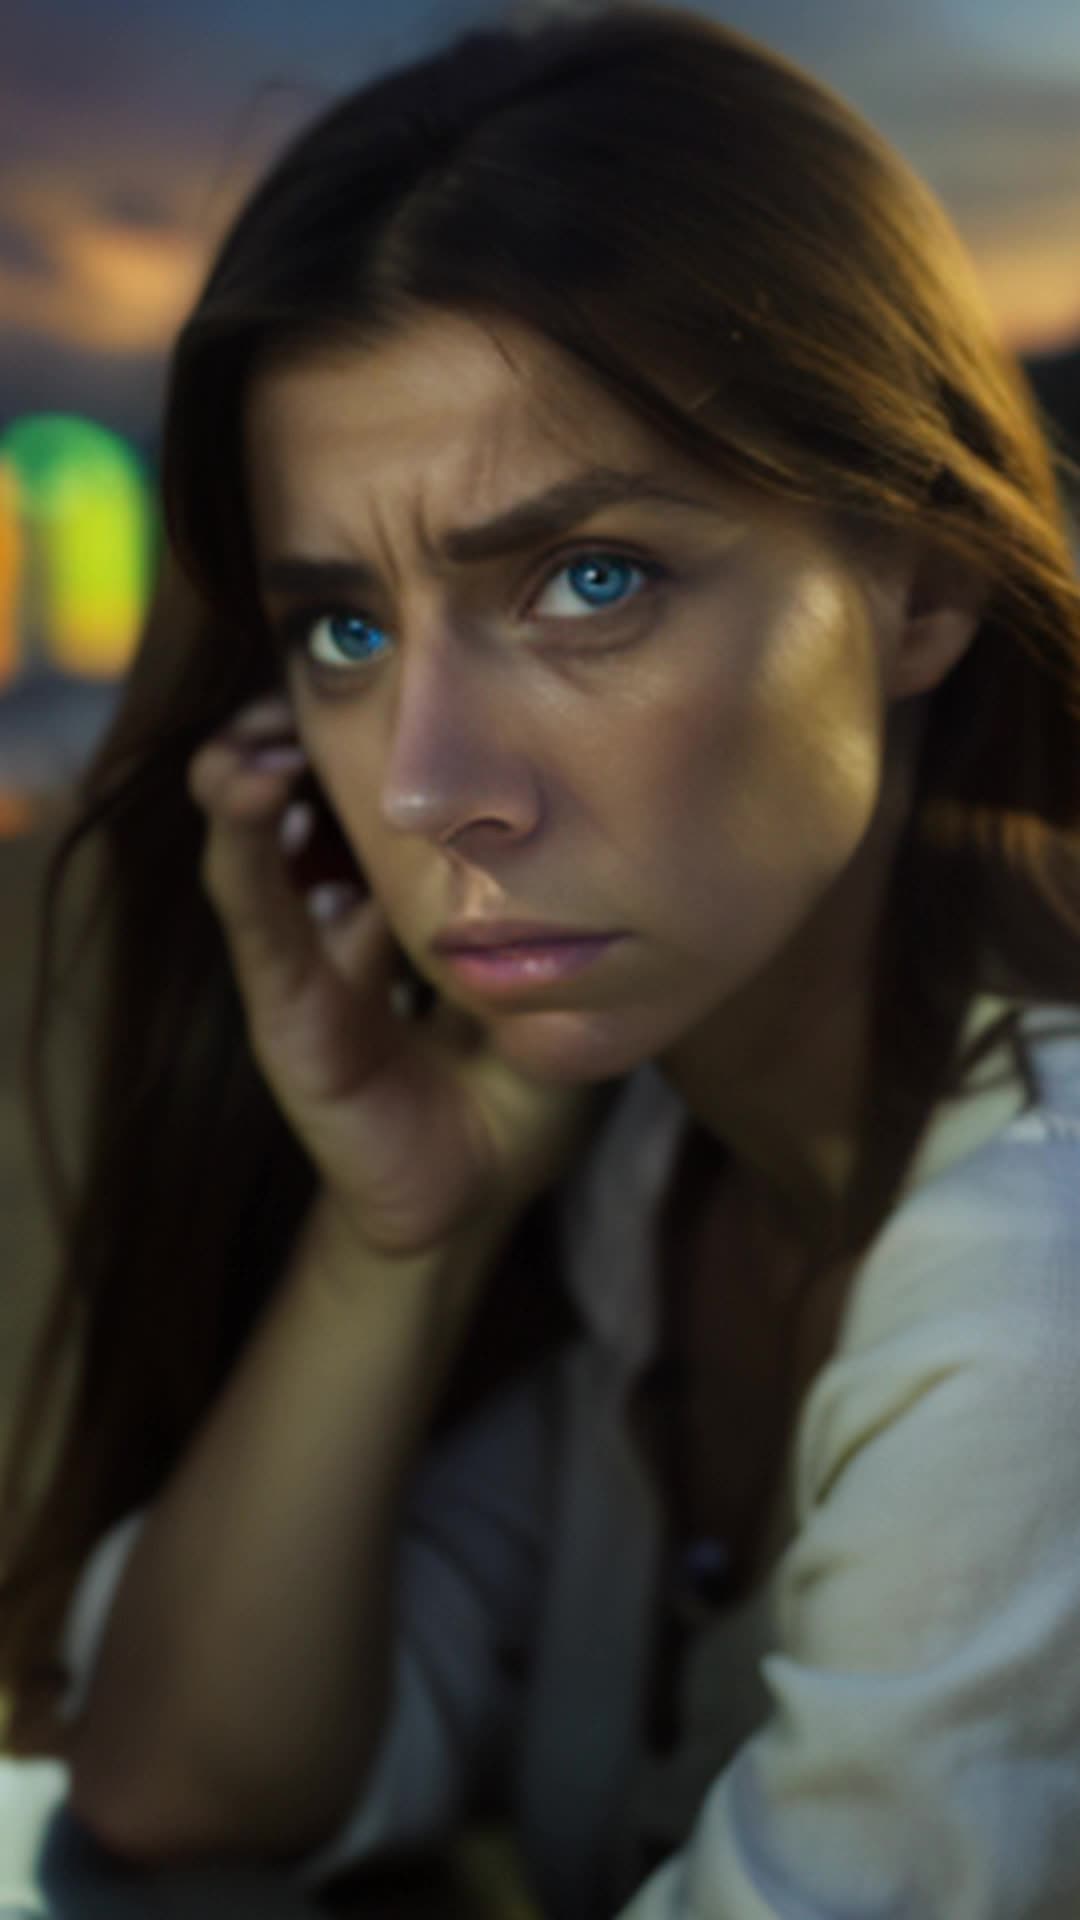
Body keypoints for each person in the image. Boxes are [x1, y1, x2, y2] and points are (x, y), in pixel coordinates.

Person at [3, 1, 1080, 1914]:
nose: (425, 791)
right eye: (342, 628)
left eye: (589, 582)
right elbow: (176, 1783)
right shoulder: (661, 1169)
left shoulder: (1038, 1289)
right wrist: (398, 1228)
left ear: (922, 584)